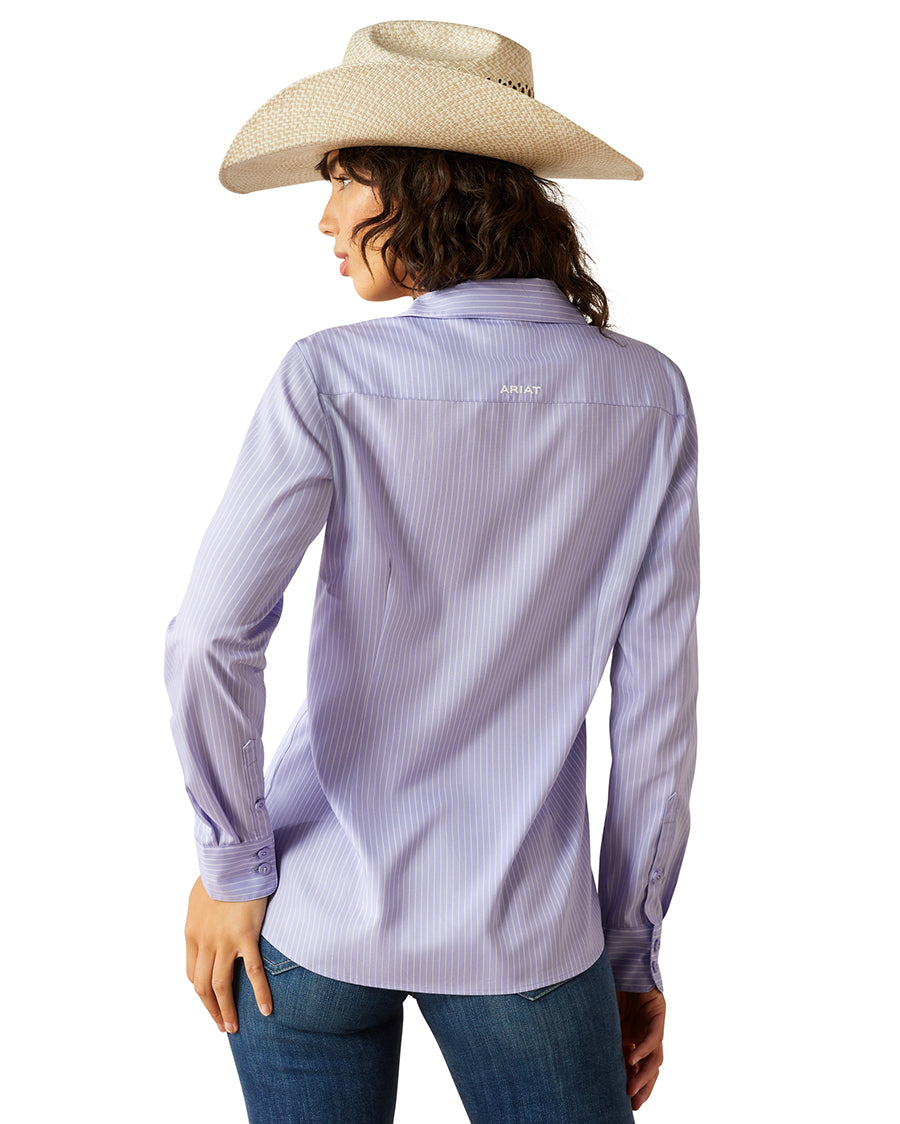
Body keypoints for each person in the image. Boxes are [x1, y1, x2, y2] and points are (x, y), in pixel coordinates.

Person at [165, 19, 699, 1124]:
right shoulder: (649, 395)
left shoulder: (330, 376)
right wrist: (630, 946)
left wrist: (231, 863)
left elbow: (211, 636)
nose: (323, 217)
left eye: (343, 178)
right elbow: (657, 705)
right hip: (526, 936)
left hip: (309, 915)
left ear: (426, 184)